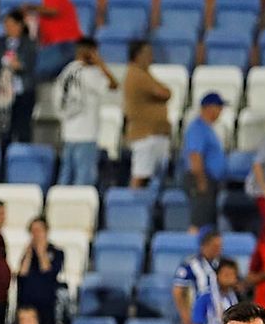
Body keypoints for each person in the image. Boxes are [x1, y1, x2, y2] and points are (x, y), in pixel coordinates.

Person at [54, 38, 116, 187]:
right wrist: (101, 64)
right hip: (86, 133)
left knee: (65, 178)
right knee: (83, 181)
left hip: (68, 132)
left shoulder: (66, 71)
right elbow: (114, 86)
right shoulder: (90, 73)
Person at [122, 40, 172, 188]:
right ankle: (131, 207)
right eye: (147, 54)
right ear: (138, 56)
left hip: (153, 135)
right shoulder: (137, 75)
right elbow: (165, 93)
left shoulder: (145, 74)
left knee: (150, 177)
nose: (151, 57)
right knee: (140, 175)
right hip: (145, 135)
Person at [0, 9, 37, 147]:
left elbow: (32, 64)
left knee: (23, 129)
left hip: (23, 91)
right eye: (6, 25)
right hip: (3, 94)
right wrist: (5, 62)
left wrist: (20, 65)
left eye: (11, 25)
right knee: (4, 130)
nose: (8, 28)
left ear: (20, 25)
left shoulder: (30, 44)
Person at [184, 93, 228, 231]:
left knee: (207, 219)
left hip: (209, 179)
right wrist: (201, 181)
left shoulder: (207, 128)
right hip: (201, 178)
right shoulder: (198, 128)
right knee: (200, 219)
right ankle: (193, 247)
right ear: (209, 108)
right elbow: (195, 156)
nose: (221, 111)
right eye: (219, 107)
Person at [14, 217, 64, 324]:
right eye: (33, 231)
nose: (35, 234)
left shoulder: (56, 252)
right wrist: (28, 254)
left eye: (39, 230)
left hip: (45, 304)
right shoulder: (27, 253)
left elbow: (48, 272)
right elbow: (22, 275)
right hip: (27, 303)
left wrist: (42, 252)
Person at [31, 0, 82, 80]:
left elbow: (53, 10)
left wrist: (31, 8)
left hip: (61, 44)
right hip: (65, 44)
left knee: (38, 73)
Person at [172, 228, 223, 324]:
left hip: (218, 318)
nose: (219, 250)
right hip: (197, 319)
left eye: (220, 246)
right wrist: (185, 315)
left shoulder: (222, 264)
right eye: (215, 246)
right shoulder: (189, 265)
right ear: (204, 245)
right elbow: (178, 291)